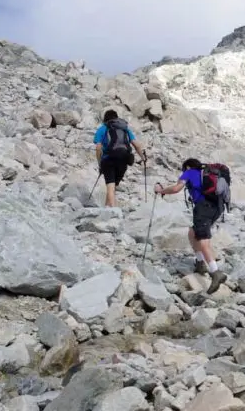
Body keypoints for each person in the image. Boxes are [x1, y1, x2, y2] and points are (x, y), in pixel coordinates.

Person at [154, 158, 228, 293]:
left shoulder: (189, 173)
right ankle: (200, 263)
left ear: (187, 167)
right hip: (217, 208)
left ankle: (216, 272)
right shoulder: (206, 174)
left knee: (203, 240)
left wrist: (162, 190)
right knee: (193, 232)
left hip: (203, 208)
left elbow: (176, 188)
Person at [93, 110, 146, 207]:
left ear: (105, 119)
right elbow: (137, 145)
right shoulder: (124, 129)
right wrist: (143, 158)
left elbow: (98, 148)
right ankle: (107, 208)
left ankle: (114, 212)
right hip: (124, 159)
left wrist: (99, 163)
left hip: (108, 159)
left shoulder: (102, 129)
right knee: (113, 187)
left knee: (110, 185)